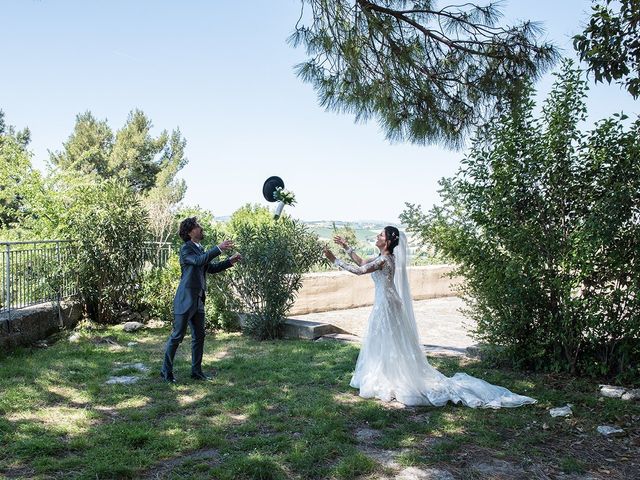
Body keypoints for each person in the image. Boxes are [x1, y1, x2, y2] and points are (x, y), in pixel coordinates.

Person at [323, 226, 536, 408]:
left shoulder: (385, 259)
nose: (377, 237)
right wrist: (345, 246)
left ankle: (396, 377)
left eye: (380, 235)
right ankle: (387, 375)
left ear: (388, 241)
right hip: (384, 303)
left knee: (391, 341)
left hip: (387, 305)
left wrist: (335, 260)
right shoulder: (381, 258)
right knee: (387, 341)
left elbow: (360, 271)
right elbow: (361, 262)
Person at [161, 217, 242, 383]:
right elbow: (198, 261)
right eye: (198, 226)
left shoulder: (200, 248)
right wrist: (218, 249)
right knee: (177, 336)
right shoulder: (186, 249)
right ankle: (166, 372)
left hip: (198, 299)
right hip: (185, 299)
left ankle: (196, 372)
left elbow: (209, 268)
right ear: (191, 232)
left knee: (199, 336)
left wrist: (229, 262)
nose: (201, 228)